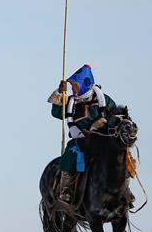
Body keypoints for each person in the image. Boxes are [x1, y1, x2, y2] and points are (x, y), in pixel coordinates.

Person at [48, 64, 116, 204]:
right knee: (70, 154)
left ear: (84, 84)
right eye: (72, 86)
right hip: (80, 141)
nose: (73, 89)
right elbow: (56, 113)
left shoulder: (104, 100)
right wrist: (60, 93)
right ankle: (66, 189)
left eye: (75, 86)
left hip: (102, 140)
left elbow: (115, 116)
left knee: (120, 156)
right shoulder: (71, 102)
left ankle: (124, 189)